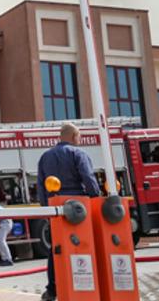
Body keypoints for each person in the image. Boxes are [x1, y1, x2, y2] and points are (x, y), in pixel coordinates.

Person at [37, 123, 101, 301]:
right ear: (74, 136)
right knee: (83, 246)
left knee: (55, 250)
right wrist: (96, 198)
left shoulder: (45, 157)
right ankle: (86, 286)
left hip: (55, 210)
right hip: (78, 209)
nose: (79, 140)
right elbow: (88, 178)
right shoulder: (78, 154)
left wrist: (48, 209)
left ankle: (52, 290)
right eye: (79, 137)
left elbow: (41, 186)